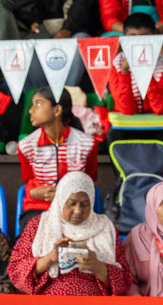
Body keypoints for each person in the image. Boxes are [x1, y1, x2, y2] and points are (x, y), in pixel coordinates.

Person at [9, 172, 131, 295]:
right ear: (60, 200)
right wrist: (50, 258)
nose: (78, 211)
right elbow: (16, 272)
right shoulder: (38, 225)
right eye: (71, 203)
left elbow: (125, 280)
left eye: (85, 204)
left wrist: (98, 267)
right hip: (47, 303)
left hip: (94, 304)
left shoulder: (106, 228)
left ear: (92, 202)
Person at [16, 86, 100, 227]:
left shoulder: (87, 144)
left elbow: (89, 180)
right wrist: (33, 193)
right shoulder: (26, 146)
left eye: (38, 103)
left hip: (76, 210)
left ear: (57, 110)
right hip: (39, 209)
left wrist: (65, 196)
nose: (31, 110)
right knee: (37, 231)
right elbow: (29, 180)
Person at [110, 12, 163, 117]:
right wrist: (124, 71)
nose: (139, 43)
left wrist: (146, 69)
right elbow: (126, 110)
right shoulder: (116, 64)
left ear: (155, 36)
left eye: (144, 37)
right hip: (130, 124)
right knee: (113, 134)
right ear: (124, 38)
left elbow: (160, 108)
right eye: (133, 37)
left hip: (160, 122)